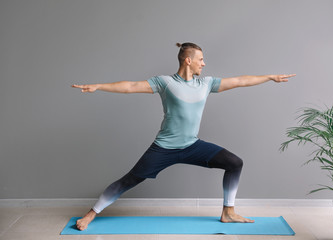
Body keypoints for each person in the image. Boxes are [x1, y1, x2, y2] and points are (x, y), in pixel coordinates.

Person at [72, 42, 295, 231]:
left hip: (192, 145)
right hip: (164, 147)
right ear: (188, 60)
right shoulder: (165, 83)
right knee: (129, 180)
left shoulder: (206, 84)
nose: (204, 63)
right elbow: (130, 86)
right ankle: (91, 214)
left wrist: (269, 77)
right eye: (201, 59)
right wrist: (98, 86)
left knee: (234, 163)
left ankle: (228, 212)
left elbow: (239, 81)